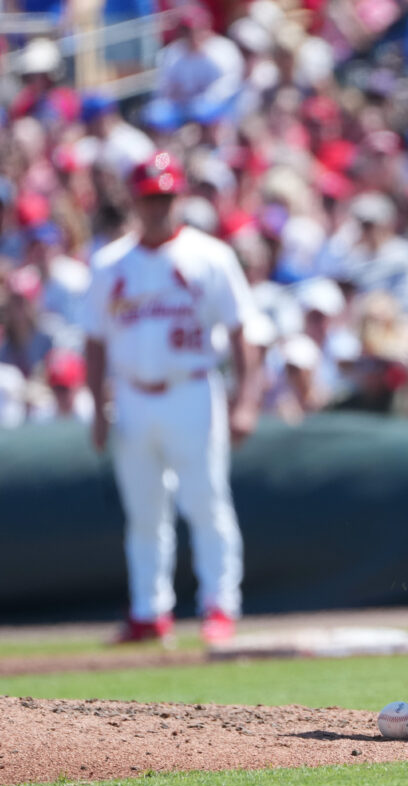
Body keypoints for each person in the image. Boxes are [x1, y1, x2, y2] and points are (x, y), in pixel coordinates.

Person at [82, 152, 260, 646]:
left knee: (205, 501)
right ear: (134, 201)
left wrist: (245, 401)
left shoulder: (210, 255)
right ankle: (148, 610)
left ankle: (220, 605)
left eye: (164, 196)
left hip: (192, 389)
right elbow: (93, 341)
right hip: (133, 395)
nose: (157, 206)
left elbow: (244, 331)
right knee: (143, 510)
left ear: (178, 197)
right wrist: (97, 409)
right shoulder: (111, 262)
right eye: (148, 198)